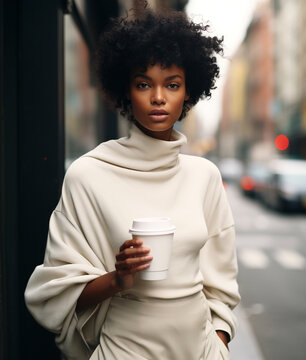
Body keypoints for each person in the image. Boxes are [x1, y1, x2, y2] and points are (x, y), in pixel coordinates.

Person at [25, 5, 240, 360]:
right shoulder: (89, 174)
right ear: (126, 90)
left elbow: (222, 285)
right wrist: (118, 278)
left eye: (172, 84)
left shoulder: (204, 177)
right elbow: (53, 291)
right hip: (124, 351)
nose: (158, 97)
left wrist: (219, 343)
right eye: (144, 84)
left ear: (188, 91)